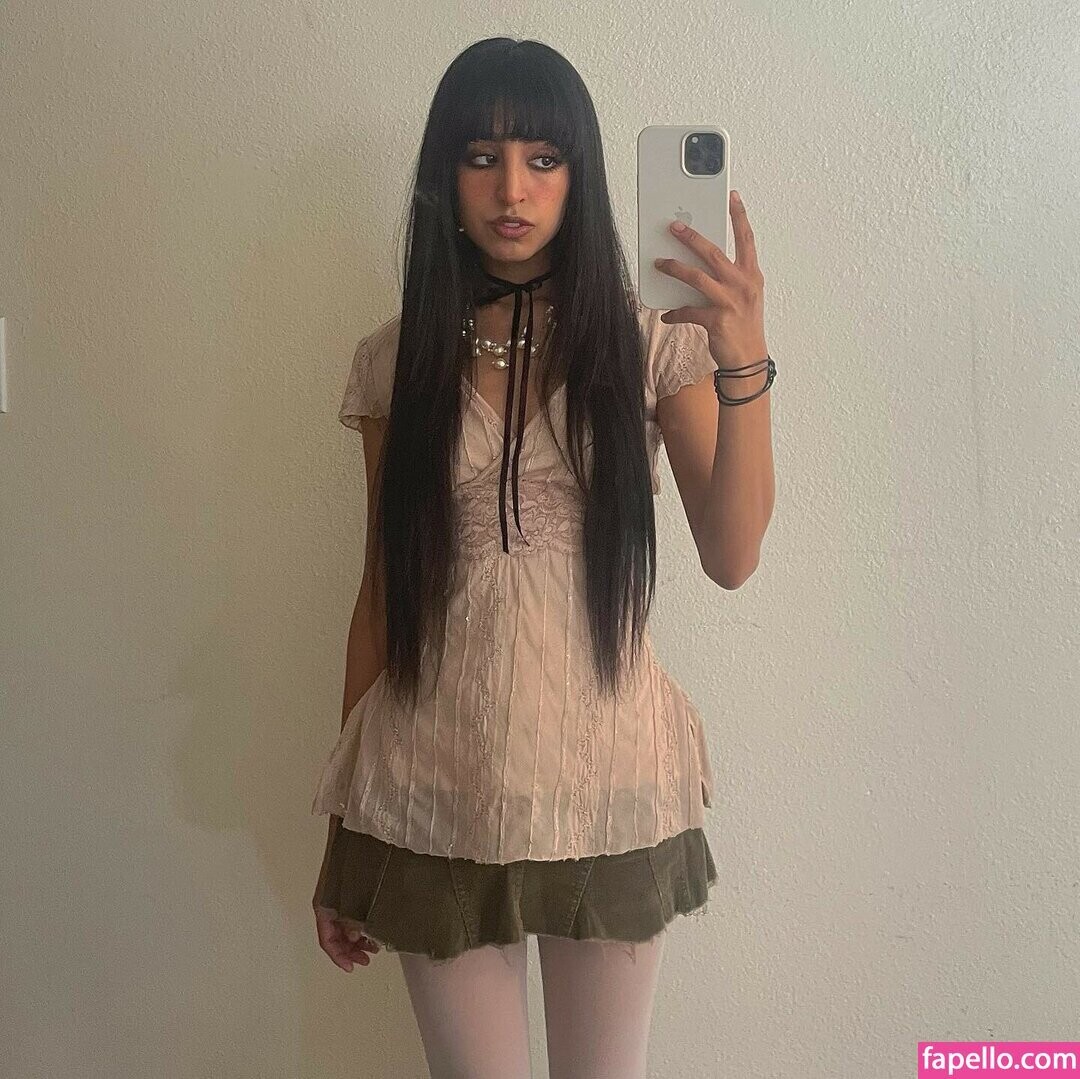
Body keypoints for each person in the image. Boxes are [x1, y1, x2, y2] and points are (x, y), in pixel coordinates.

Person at [310, 36, 775, 1079]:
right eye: (481, 156)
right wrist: (346, 828)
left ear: (581, 173)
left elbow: (734, 551)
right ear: (445, 176)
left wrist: (741, 358)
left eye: (543, 157)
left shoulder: (649, 344)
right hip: (433, 785)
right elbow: (383, 593)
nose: (512, 188)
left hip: (608, 781)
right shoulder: (395, 361)